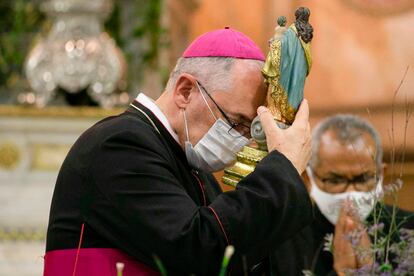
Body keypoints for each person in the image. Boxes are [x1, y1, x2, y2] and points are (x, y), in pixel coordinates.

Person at [44, 27, 313, 276]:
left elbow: (229, 261)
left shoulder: (195, 170)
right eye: (235, 122)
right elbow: (197, 247)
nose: (241, 141)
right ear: (185, 91)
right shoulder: (120, 144)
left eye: (248, 128)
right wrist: (282, 168)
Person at [271, 114, 414, 276]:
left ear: (381, 174)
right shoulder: (283, 242)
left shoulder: (408, 231)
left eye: (363, 179)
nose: (350, 194)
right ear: (308, 178)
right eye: (335, 180)